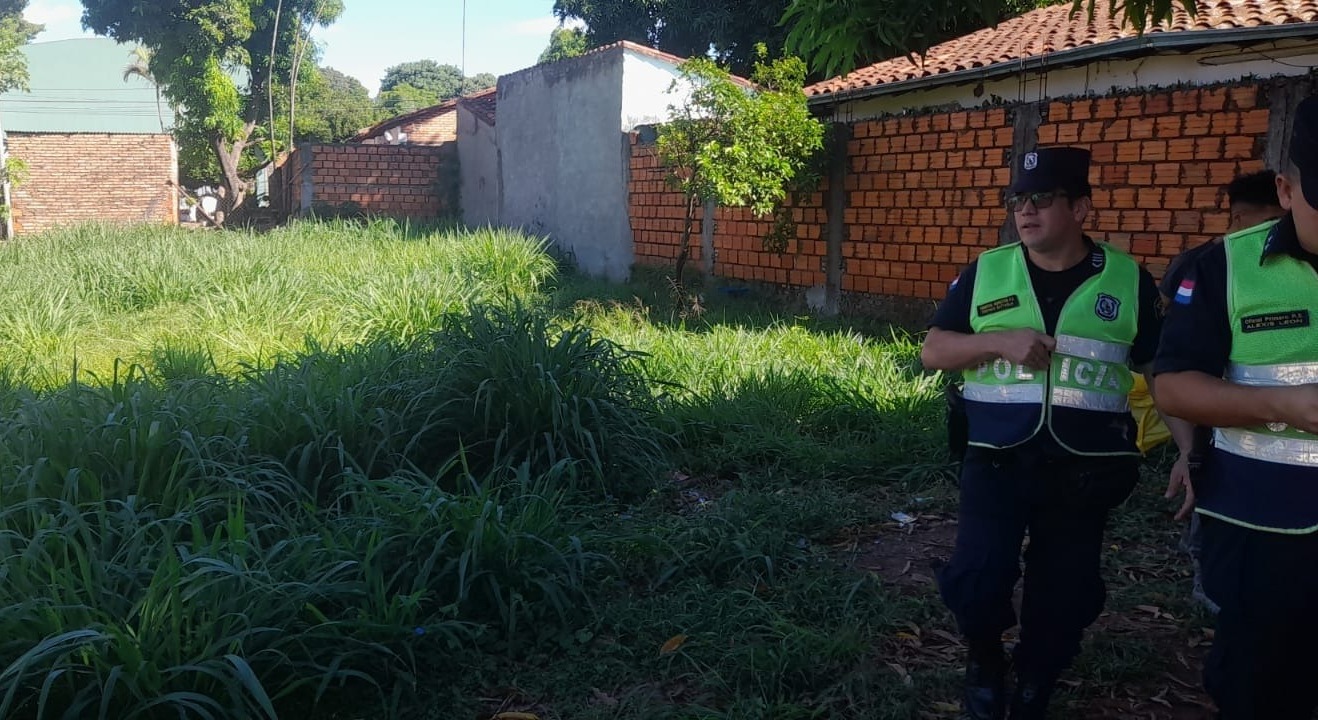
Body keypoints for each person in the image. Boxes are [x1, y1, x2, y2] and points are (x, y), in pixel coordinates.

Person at [922, 147, 1166, 720]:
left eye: (1041, 199)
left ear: (1081, 209)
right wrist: (998, 341)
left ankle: (1037, 677)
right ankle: (984, 658)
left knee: (1065, 591)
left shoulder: (1129, 279)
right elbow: (934, 350)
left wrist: (1190, 450)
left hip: (1087, 466)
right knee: (978, 578)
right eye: (1017, 200)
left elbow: (1161, 371)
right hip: (997, 456)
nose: (1025, 211)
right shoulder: (987, 270)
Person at [1155, 94, 1318, 720]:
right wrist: (1282, 404)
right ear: (1285, 189)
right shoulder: (1223, 267)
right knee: (1255, 682)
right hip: (1260, 523)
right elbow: (1173, 385)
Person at [1156, 170, 1285, 616]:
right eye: (1263, 222)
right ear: (1237, 218)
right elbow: (1173, 369)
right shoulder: (1207, 266)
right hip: (1220, 436)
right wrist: (1187, 448)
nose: (1272, 233)